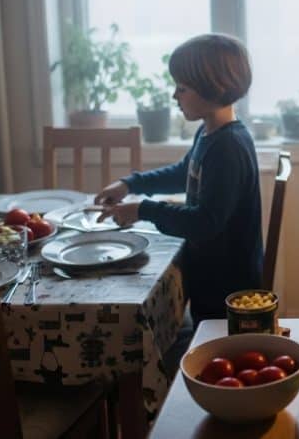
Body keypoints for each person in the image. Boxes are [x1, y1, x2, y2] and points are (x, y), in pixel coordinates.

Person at [95, 33, 263, 323]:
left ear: (213, 88)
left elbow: (204, 223)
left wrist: (142, 210)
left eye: (182, 88)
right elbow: (184, 173)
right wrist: (130, 185)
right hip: (210, 277)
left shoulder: (228, 147)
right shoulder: (210, 133)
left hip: (225, 291)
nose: (175, 96)